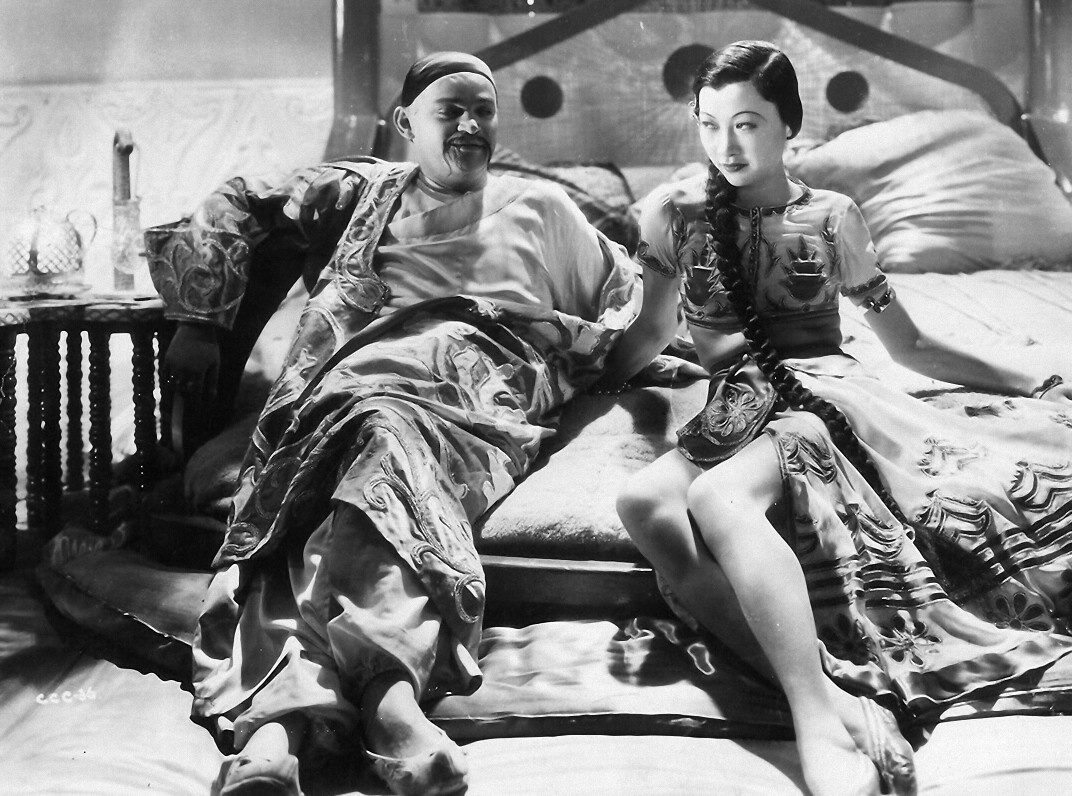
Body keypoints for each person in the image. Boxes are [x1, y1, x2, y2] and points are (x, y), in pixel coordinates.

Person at [149, 52, 644, 796]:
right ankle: (386, 706)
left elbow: (629, 306)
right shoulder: (360, 195)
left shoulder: (542, 208)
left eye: (484, 110)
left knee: (374, 443)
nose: (471, 125)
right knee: (329, 467)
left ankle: (288, 727)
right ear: (406, 123)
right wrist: (200, 319)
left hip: (474, 386)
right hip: (350, 384)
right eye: (451, 110)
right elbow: (242, 197)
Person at [608, 40, 1072, 796]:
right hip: (737, 404)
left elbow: (911, 346)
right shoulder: (674, 215)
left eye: (748, 123)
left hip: (820, 396)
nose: (727, 145)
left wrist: (1033, 375)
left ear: (789, 125)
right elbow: (652, 330)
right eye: (710, 124)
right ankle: (835, 694)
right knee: (642, 503)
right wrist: (590, 378)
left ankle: (814, 721)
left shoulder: (831, 217)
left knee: (717, 499)